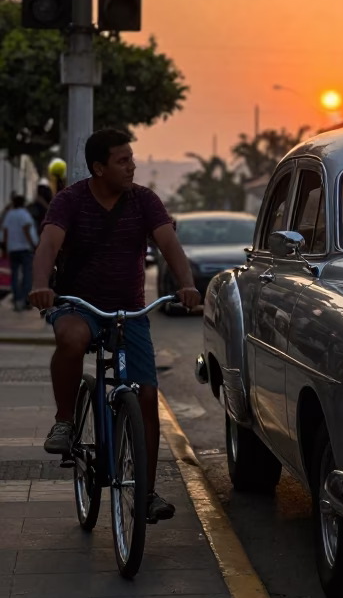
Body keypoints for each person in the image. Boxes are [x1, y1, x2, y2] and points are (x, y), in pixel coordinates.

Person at [29, 128, 200, 523]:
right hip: (78, 303)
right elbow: (48, 247)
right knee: (72, 337)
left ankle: (147, 493)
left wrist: (187, 285)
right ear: (98, 167)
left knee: (146, 396)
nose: (132, 166)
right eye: (122, 161)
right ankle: (65, 420)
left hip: (130, 311)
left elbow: (169, 245)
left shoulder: (144, 201)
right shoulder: (69, 201)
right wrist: (41, 285)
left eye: (132, 158)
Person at [2, 194, 38, 310]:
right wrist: (32, 243)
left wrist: (6, 247)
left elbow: (6, 231)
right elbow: (26, 228)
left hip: (13, 249)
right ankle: (26, 299)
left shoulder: (10, 215)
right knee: (27, 275)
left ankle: (17, 300)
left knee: (15, 274)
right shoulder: (24, 214)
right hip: (25, 248)